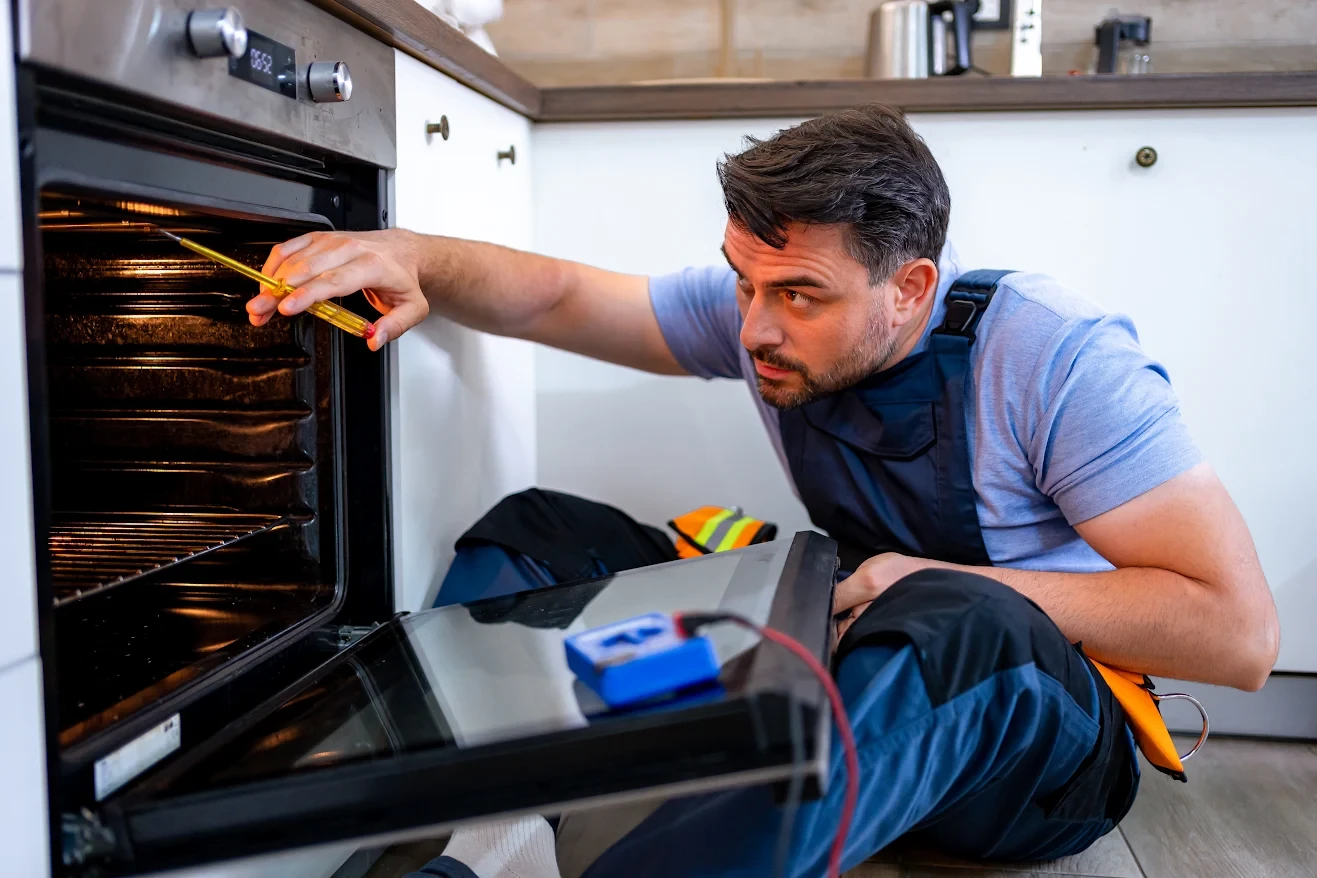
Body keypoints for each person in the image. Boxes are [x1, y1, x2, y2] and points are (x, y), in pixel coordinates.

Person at [247, 105, 1279, 877]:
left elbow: (1239, 634)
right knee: (540, 532)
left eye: (798, 297)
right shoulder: (765, 307)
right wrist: (412, 253)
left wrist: (936, 575)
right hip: (849, 658)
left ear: (909, 286)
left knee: (959, 612)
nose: (752, 329)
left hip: (1037, 747)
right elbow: (562, 294)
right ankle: (498, 830)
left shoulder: (1055, 355)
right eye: (743, 282)